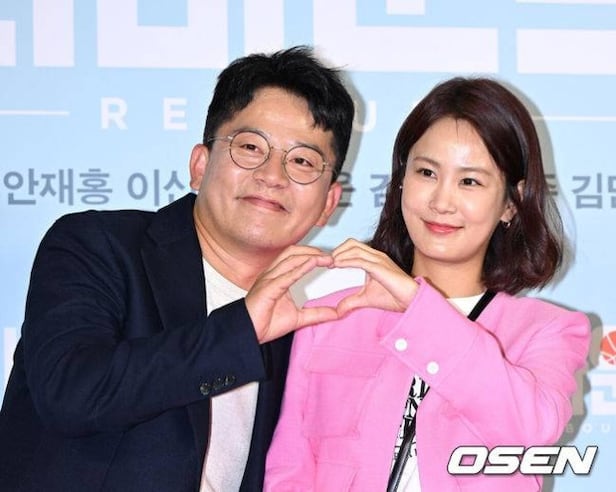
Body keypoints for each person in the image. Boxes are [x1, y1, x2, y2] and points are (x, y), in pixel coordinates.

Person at [0, 46, 355, 492]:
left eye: (302, 160)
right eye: (250, 147)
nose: (272, 175)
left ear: (327, 204)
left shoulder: (301, 326)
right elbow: (71, 393)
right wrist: (241, 328)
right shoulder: (98, 246)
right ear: (199, 165)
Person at [264, 77, 590, 492]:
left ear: (511, 203)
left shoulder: (548, 330)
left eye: (469, 181)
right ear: (402, 180)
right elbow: (289, 469)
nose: (441, 201)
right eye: (426, 172)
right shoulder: (330, 316)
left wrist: (416, 304)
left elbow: (530, 429)